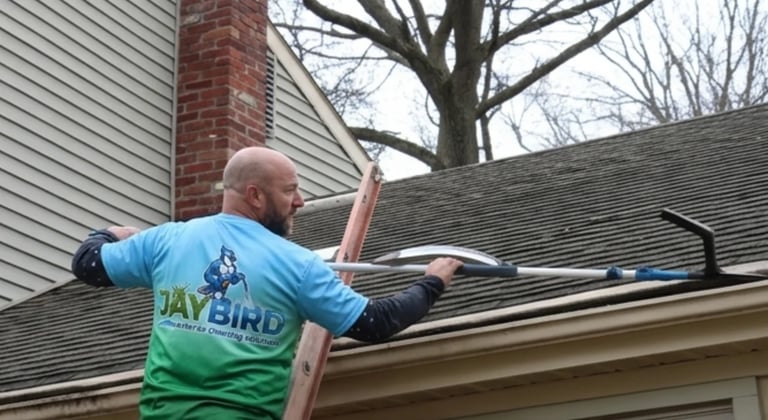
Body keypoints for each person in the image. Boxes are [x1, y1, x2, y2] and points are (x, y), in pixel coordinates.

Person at [71, 146, 463, 420]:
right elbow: (375, 322)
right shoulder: (296, 265)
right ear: (255, 195)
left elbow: (87, 263)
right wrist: (432, 281)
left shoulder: (167, 241)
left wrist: (110, 232)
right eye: (290, 190)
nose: (301, 201)